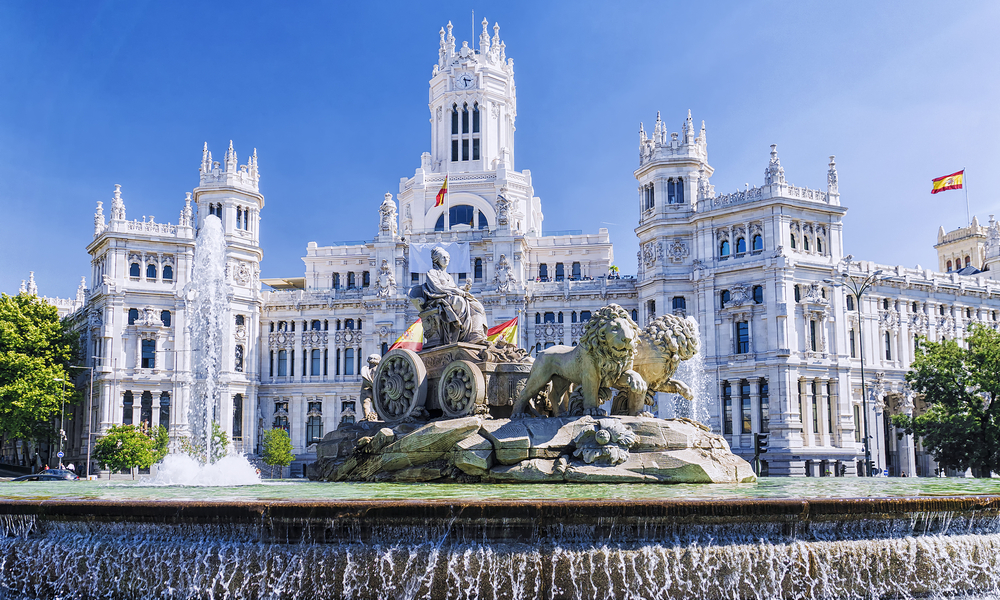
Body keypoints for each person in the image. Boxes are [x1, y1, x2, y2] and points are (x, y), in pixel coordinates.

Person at [409, 247, 488, 347]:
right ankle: (460, 333)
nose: (446, 259)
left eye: (447, 257)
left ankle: (475, 334)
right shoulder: (432, 273)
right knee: (459, 301)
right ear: (436, 259)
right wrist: (456, 291)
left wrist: (464, 289)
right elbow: (436, 288)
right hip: (439, 298)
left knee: (476, 305)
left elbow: (454, 288)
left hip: (450, 297)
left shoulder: (449, 276)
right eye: (443, 257)